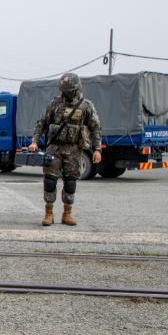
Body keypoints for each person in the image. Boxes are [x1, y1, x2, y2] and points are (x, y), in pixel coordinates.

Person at [28, 72, 102, 226]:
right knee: (50, 181)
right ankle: (49, 213)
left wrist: (97, 149)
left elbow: (95, 128)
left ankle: (67, 213)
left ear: (76, 88)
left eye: (69, 90)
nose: (66, 93)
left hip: (74, 149)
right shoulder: (54, 104)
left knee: (70, 182)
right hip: (54, 148)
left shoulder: (86, 106)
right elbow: (41, 123)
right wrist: (34, 141)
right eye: (64, 90)